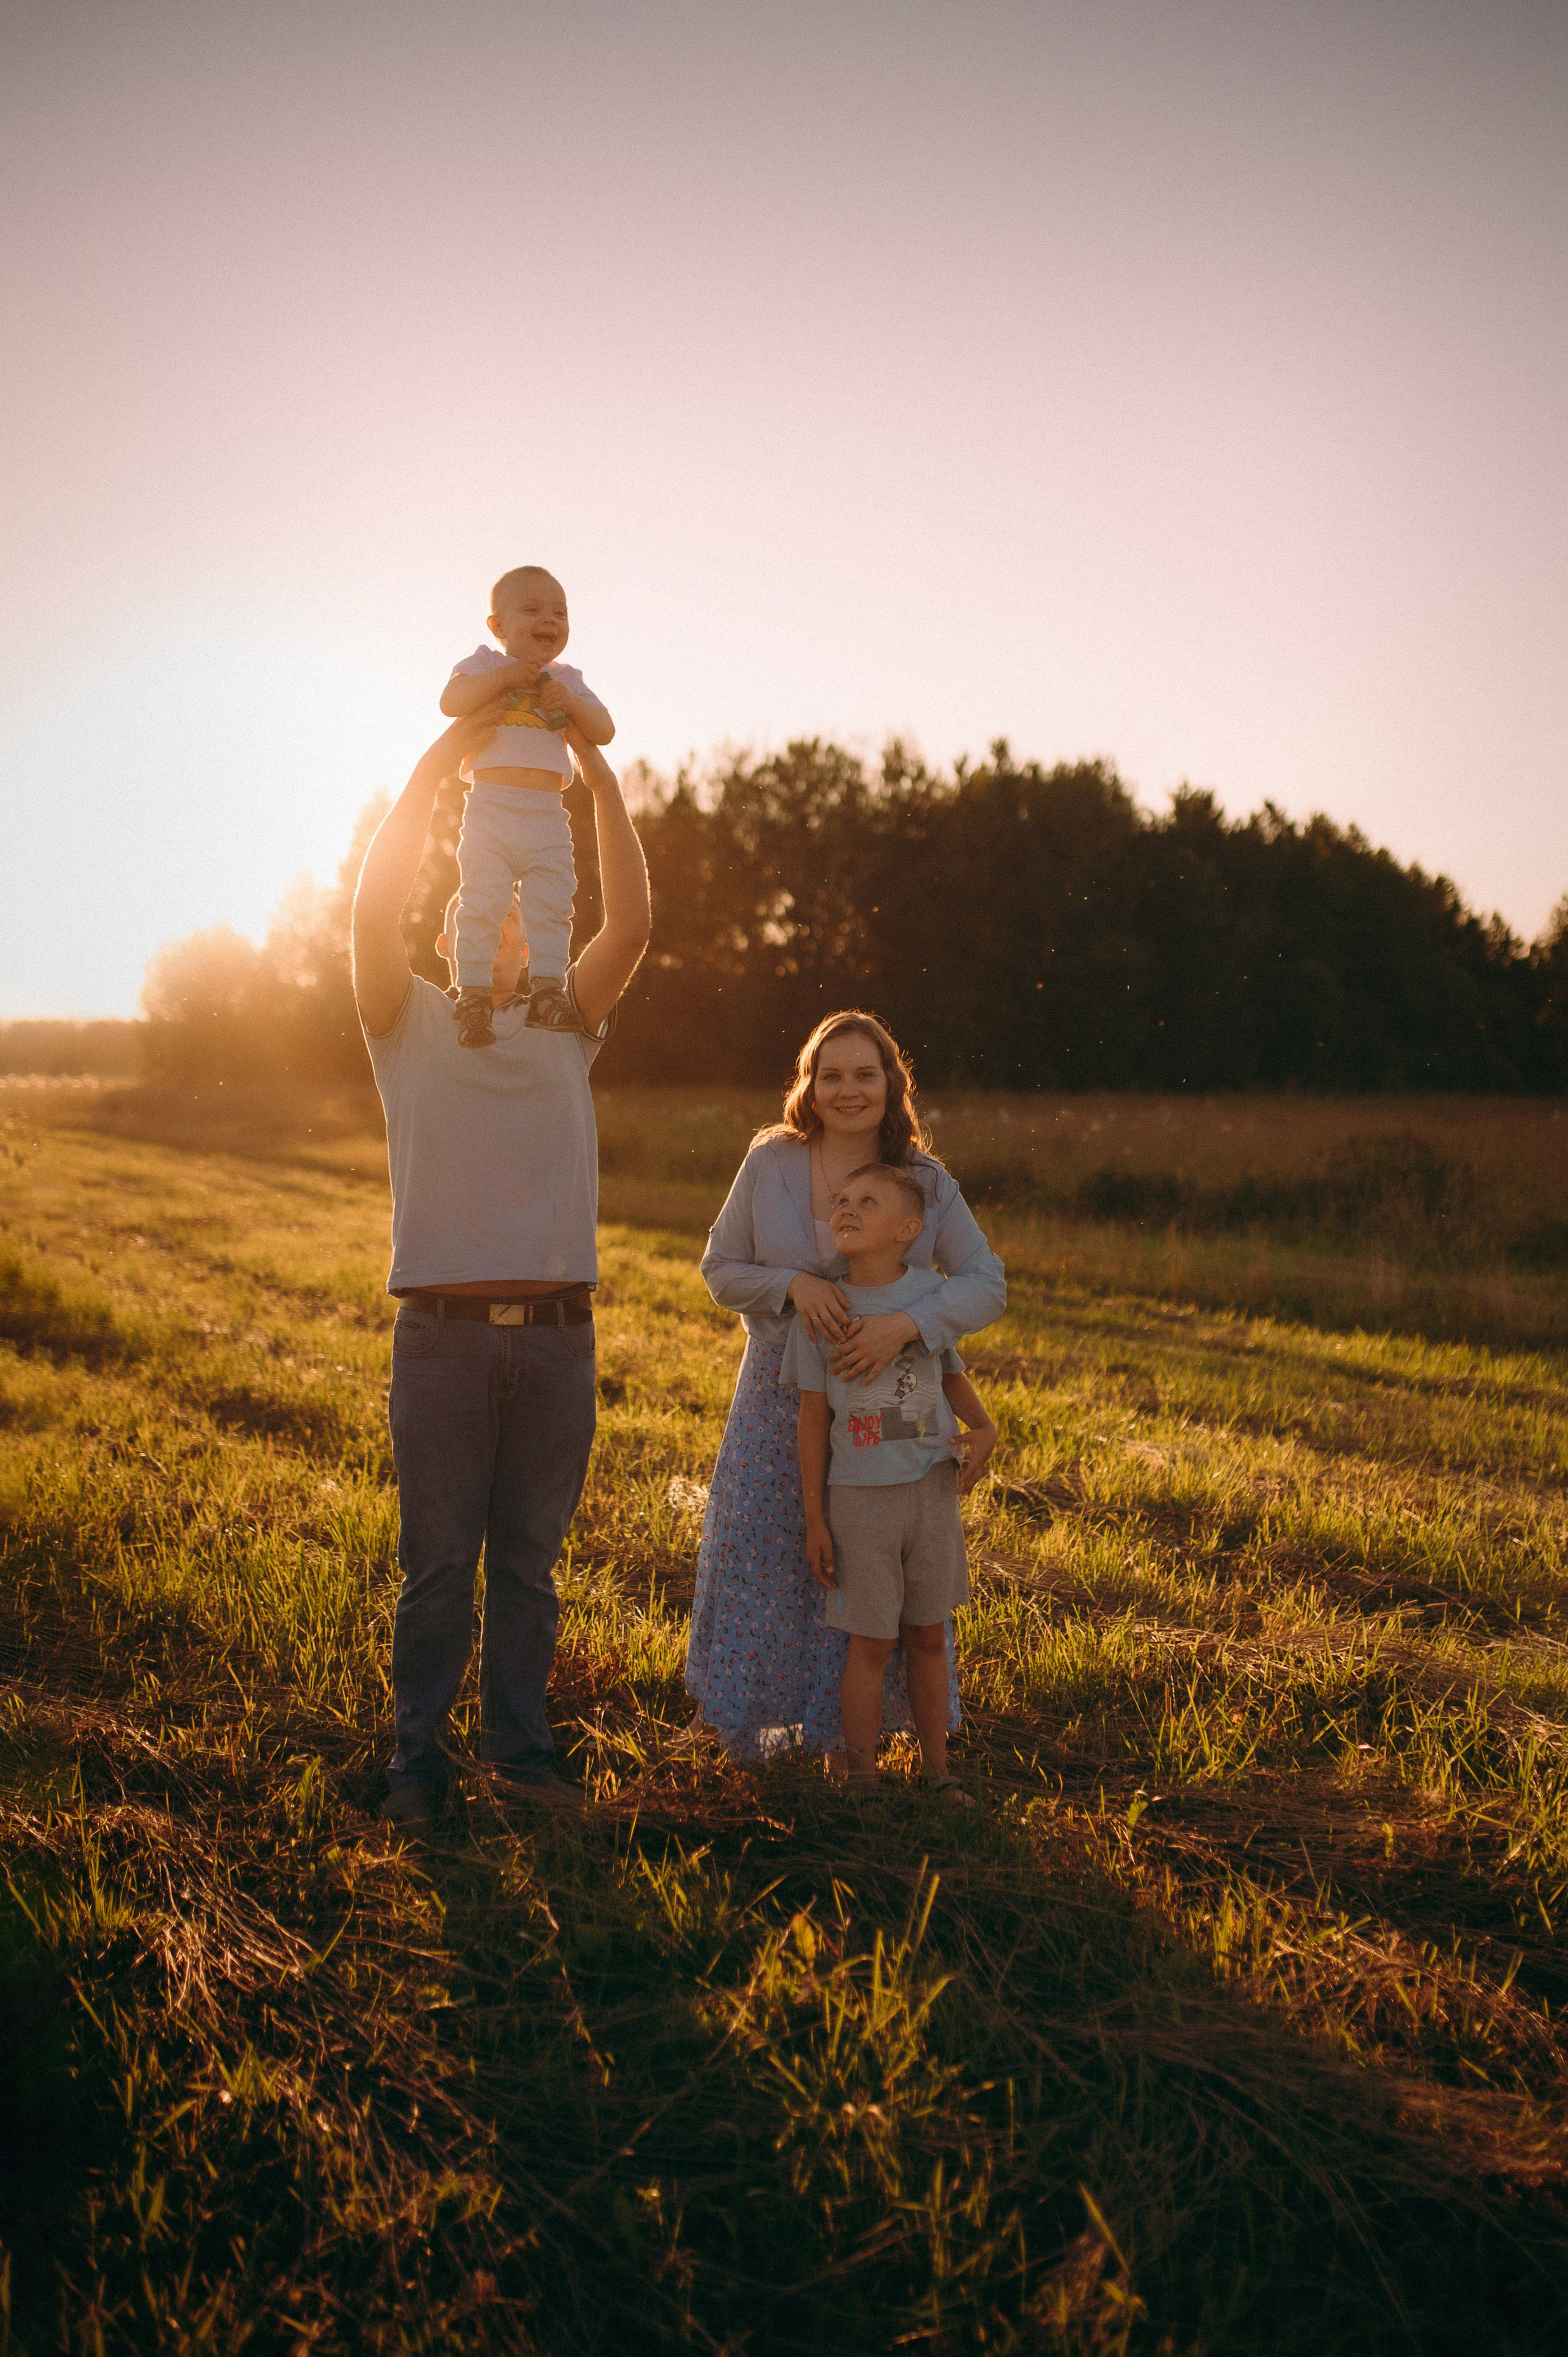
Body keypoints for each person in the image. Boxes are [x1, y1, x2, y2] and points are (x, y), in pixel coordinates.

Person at [352, 710, 650, 1825]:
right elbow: (371, 908)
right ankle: (415, 1767)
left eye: (530, 909)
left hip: (561, 1339)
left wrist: (596, 776)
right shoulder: (407, 1022)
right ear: (454, 940)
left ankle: (522, 1766)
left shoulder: (571, 1020)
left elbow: (633, 922)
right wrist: (443, 760)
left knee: (530, 1568)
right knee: (438, 1570)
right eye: (486, 909)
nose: (510, 916)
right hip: (443, 1339)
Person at [686, 1010, 1006, 1762]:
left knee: (874, 1564)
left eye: (865, 1074)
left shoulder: (925, 1181)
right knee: (772, 1554)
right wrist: (791, 1284)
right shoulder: (770, 1160)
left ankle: (848, 1744)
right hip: (779, 1395)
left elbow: (987, 1282)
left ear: (891, 1084)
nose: (848, 1089)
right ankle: (755, 1722)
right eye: (830, 1075)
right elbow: (719, 1270)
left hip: (890, 1403)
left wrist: (908, 1325)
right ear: (809, 1084)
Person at [784, 1160, 997, 1801]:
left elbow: (951, 1374)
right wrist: (816, 1519)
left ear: (909, 1229)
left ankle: (939, 1771)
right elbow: (813, 1417)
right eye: (841, 1200)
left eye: (867, 1201)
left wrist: (984, 1426)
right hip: (859, 1501)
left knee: (928, 1636)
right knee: (871, 1644)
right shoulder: (825, 1307)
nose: (847, 1208)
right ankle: (863, 1781)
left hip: (931, 1492)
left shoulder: (929, 1297)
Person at [437, 564, 615, 1046]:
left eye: (560, 612)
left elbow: (605, 730)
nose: (549, 619)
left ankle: (547, 989)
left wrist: (572, 705)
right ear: (498, 626)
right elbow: (451, 701)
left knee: (552, 901)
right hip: (490, 809)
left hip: (547, 815)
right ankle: (473, 993)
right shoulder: (483, 663)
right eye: (533, 609)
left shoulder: (567, 678)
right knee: (482, 900)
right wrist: (504, 676)